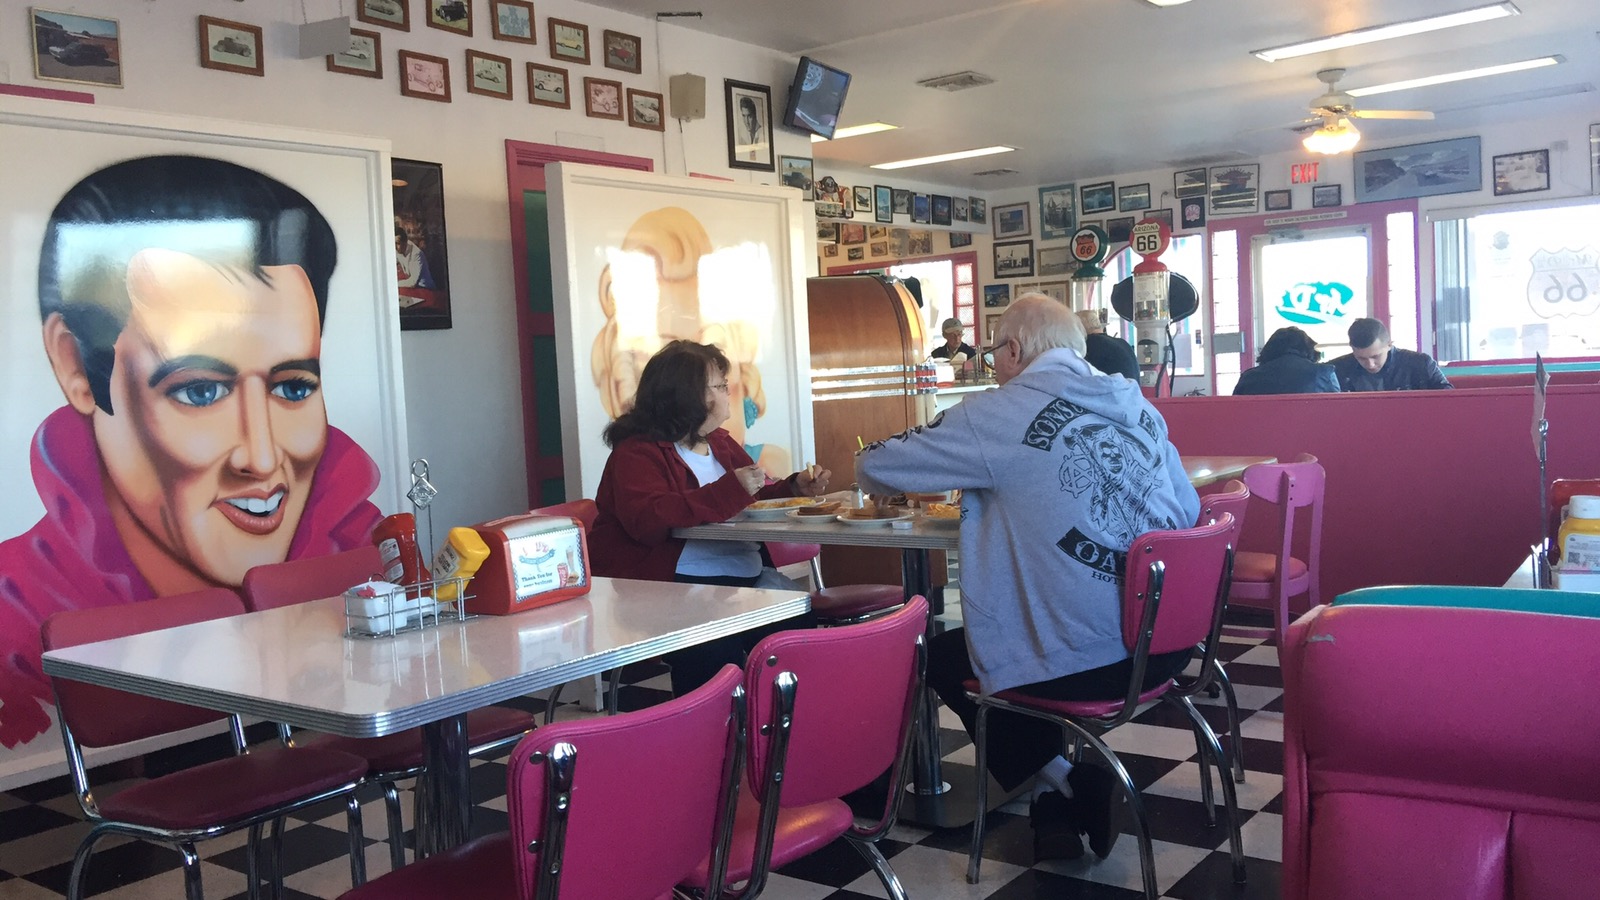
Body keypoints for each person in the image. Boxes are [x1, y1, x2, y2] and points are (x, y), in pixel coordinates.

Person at [0, 155, 385, 748]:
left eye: (292, 388)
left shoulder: (357, 555)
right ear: (75, 365)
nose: (261, 458)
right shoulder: (18, 619)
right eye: (201, 391)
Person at [856, 294, 1200, 863]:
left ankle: (1069, 778)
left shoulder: (997, 413)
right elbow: (1187, 512)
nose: (994, 365)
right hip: (1165, 643)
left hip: (1090, 661)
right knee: (1035, 627)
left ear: (1013, 350)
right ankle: (1055, 809)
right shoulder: (1135, 404)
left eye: (994, 353)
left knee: (944, 656)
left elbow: (875, 465)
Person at [588, 340, 831, 696]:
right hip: (676, 588)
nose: (728, 391)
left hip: (743, 578)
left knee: (800, 627)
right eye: (719, 385)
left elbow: (752, 496)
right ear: (687, 397)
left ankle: (780, 722)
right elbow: (648, 520)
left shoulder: (718, 442)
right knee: (715, 653)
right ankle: (717, 726)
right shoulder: (636, 452)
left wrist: (794, 487)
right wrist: (728, 490)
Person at [1329, 317, 1452, 391]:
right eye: (1361, 358)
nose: (1370, 364)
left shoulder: (1420, 364)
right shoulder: (1335, 370)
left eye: (1375, 356)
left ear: (1389, 344)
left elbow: (1448, 399)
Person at [1233, 326, 1341, 395]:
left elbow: (1236, 412)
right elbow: (1339, 410)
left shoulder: (1249, 377)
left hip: (1262, 425)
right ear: (1308, 349)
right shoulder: (1323, 373)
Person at [394, 225, 435, 290]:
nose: (395, 247)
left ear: (405, 242)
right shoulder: (398, 249)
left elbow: (413, 282)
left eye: (398, 243)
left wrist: (394, 283)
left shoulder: (416, 254)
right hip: (413, 288)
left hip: (425, 289)